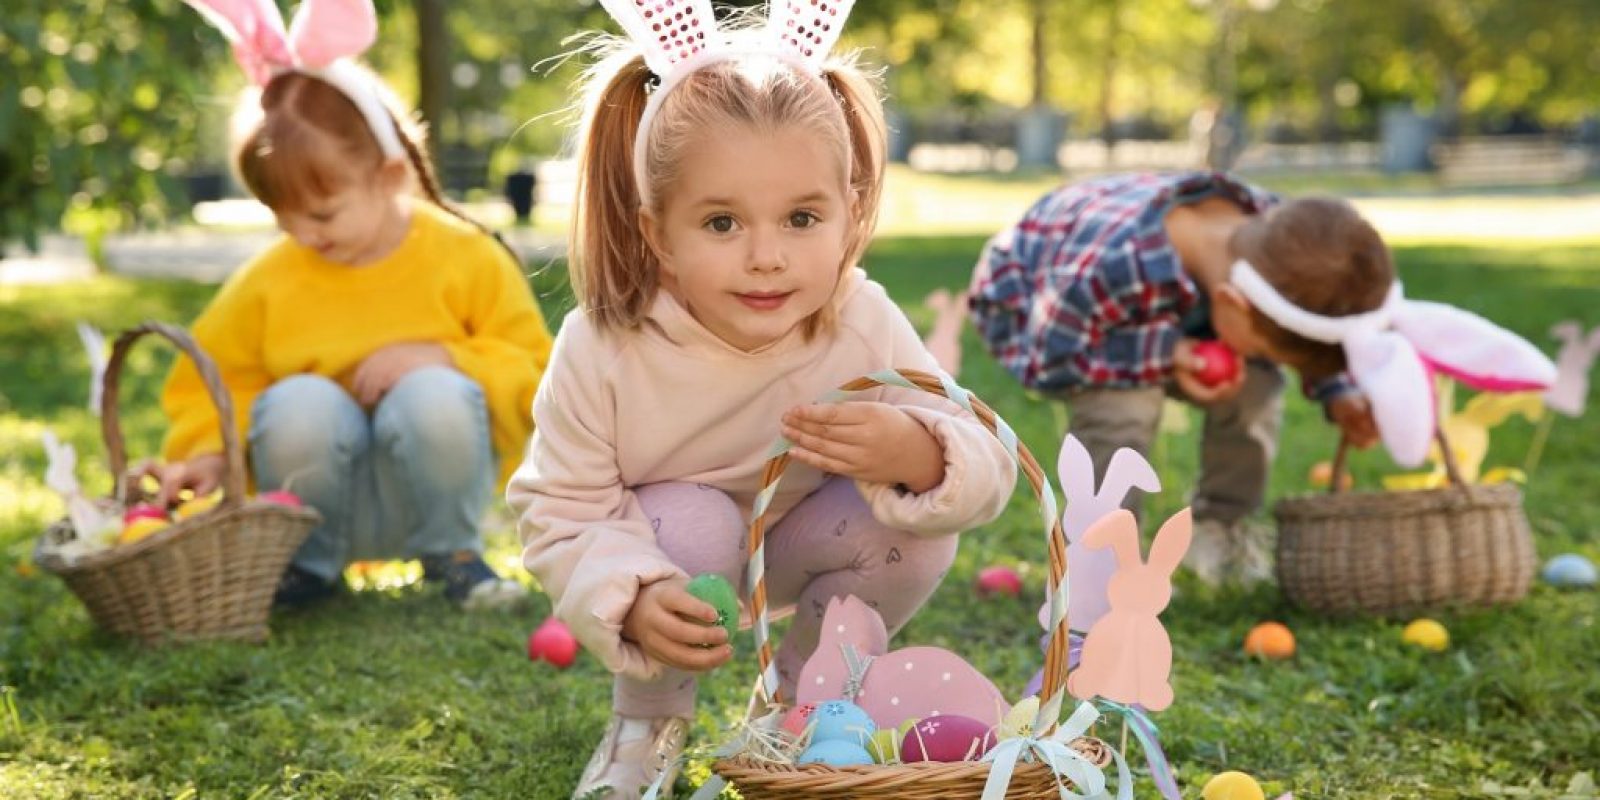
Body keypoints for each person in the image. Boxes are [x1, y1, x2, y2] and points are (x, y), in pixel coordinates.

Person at [505, 5, 1017, 797]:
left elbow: (986, 453)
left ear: (850, 214)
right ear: (656, 234)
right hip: (676, 557)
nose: (767, 258)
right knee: (699, 519)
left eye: (803, 218)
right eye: (721, 222)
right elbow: (560, 507)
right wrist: (631, 596)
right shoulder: (606, 344)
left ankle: (801, 707)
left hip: (814, 542)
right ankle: (649, 721)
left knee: (915, 530)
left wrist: (920, 452)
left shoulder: (863, 320)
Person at [150, 0, 554, 610]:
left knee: (433, 393)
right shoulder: (270, 279)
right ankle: (307, 568)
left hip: (425, 490)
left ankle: (454, 554)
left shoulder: (463, 254)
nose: (303, 235)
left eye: (320, 213)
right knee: (297, 400)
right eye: (281, 217)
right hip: (312, 501)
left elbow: (536, 369)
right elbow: (213, 379)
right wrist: (209, 452)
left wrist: (443, 357)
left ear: (390, 177)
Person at [968, 172, 1388, 584]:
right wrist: (1164, 355)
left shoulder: (1289, 246)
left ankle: (1222, 529)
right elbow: (1052, 357)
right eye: (1262, 348)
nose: (1259, 356)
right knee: (1124, 406)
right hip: (1045, 311)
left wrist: (1338, 388)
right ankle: (1101, 556)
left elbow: (1309, 329)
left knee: (1256, 387)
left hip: (1152, 303)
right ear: (1231, 302)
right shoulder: (1116, 265)